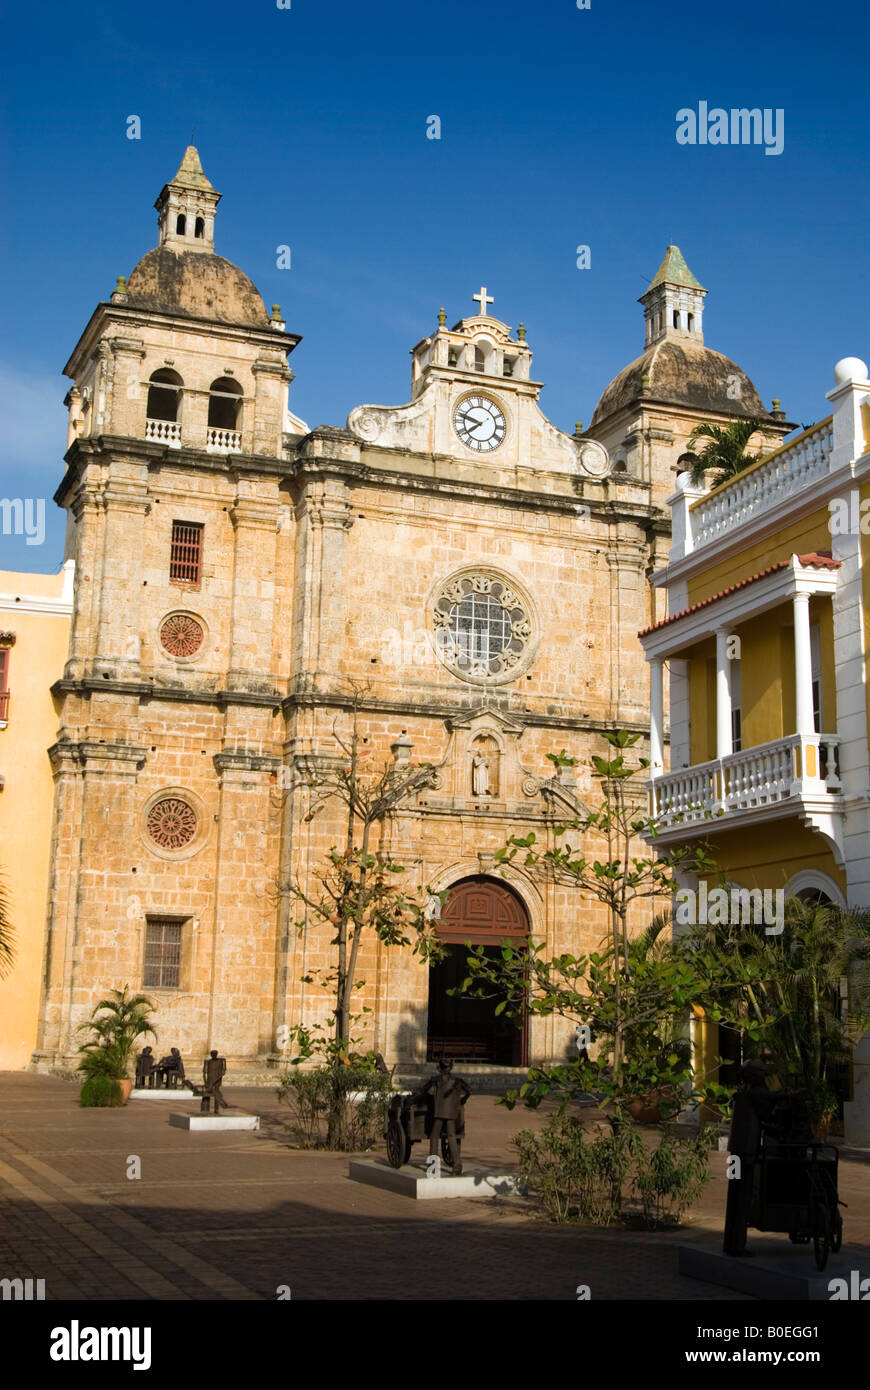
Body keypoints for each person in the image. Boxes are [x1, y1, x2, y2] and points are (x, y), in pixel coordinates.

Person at [416, 1057, 471, 1174]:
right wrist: (462, 1100)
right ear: (450, 1068)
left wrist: (417, 1095)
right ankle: (457, 1164)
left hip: (439, 1112)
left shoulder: (436, 1080)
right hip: (451, 1113)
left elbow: (423, 1090)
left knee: (434, 1136)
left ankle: (433, 1165)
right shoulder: (457, 1081)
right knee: (451, 1136)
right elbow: (469, 1090)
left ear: (439, 1068)